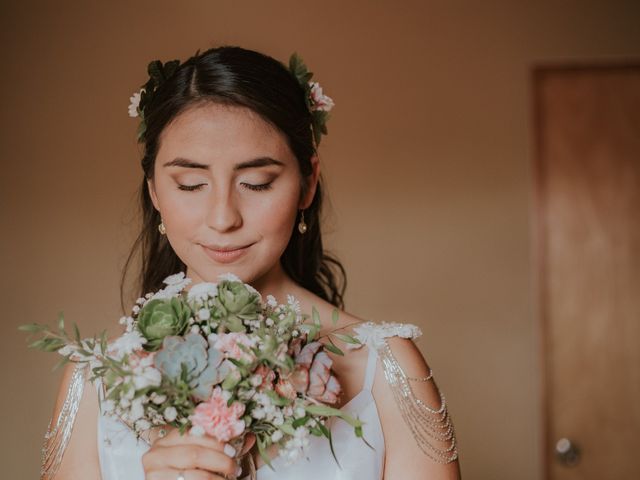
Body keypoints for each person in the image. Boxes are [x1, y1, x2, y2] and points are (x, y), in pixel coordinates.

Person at [42, 45, 460, 480]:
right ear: (154, 192)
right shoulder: (96, 381)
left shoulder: (384, 370)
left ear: (307, 182)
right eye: (190, 184)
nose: (224, 218)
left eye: (256, 183)